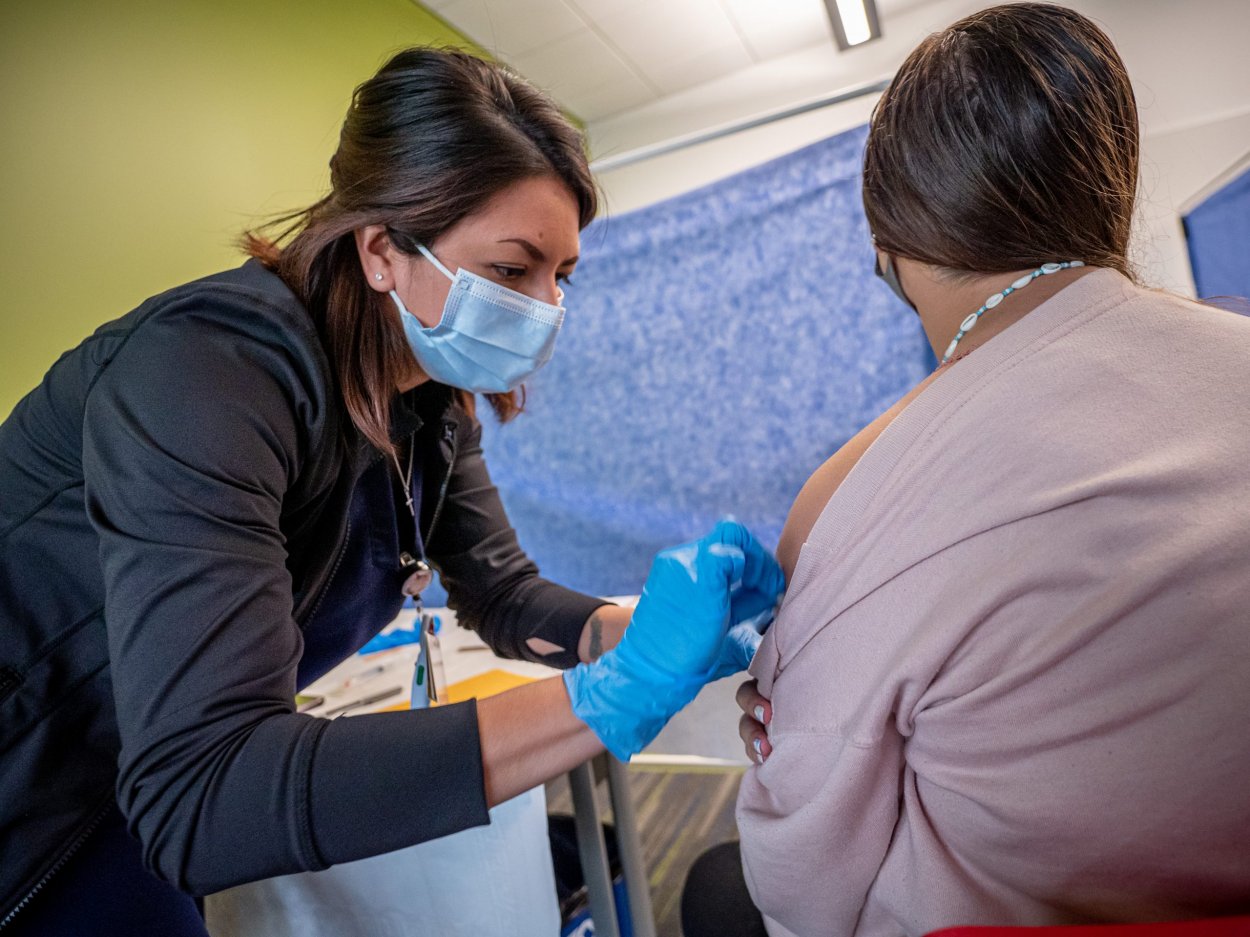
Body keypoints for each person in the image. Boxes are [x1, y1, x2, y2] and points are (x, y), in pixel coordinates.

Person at [0, 48, 785, 935]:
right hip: (30, 798)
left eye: (562, 276)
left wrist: (644, 633)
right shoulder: (206, 374)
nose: (547, 307)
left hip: (130, 779)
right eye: (512, 270)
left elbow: (501, 592)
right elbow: (205, 791)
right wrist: (612, 694)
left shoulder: (427, 403)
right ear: (382, 249)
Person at [698, 5, 1250, 936]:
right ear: (1111, 186)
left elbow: (798, 879)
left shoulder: (853, 496)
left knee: (718, 887)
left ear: (888, 246)